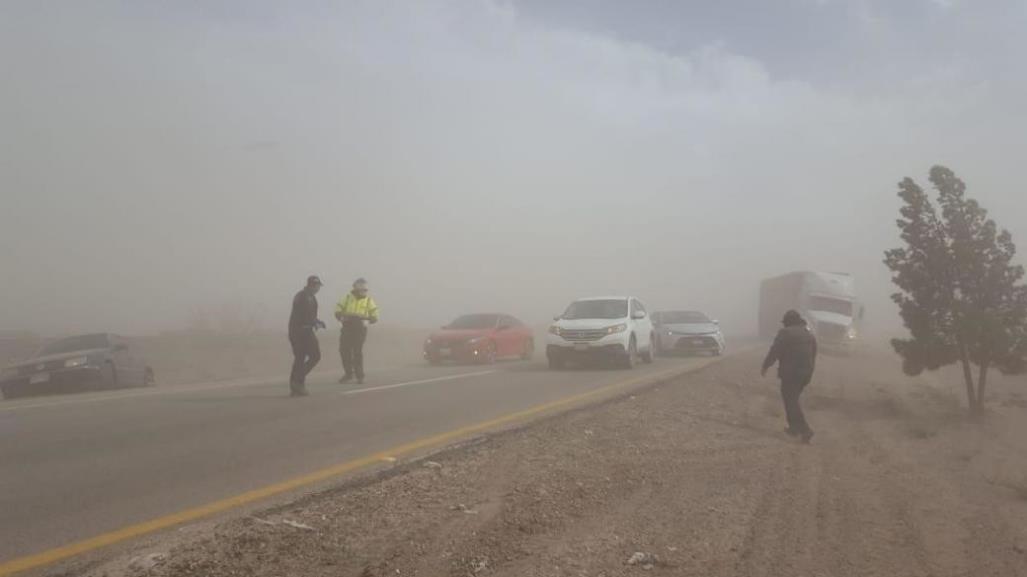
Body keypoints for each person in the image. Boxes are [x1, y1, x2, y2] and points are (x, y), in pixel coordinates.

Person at [761, 309, 817, 443]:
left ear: (788, 322)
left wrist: (765, 366)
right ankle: (794, 428)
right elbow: (813, 355)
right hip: (805, 374)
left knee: (791, 401)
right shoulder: (808, 334)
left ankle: (805, 430)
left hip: (791, 374)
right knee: (792, 400)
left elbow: (775, 351)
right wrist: (809, 373)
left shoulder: (785, 333)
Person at [335, 278, 379, 384]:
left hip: (360, 329)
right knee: (344, 350)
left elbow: (375, 316)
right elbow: (337, 310)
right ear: (355, 288)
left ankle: (360, 376)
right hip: (347, 327)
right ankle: (349, 373)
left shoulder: (369, 300)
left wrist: (368, 319)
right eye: (361, 289)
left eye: (364, 289)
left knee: (357, 351)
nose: (363, 292)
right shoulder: (347, 298)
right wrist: (341, 316)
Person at [288, 275, 326, 397]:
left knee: (300, 358)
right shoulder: (302, 296)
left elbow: (310, 316)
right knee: (314, 356)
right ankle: (297, 382)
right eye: (317, 286)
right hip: (300, 331)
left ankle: (297, 385)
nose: (318, 288)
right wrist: (314, 322)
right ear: (311, 285)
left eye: (318, 286)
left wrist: (317, 322)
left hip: (304, 330)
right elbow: (302, 315)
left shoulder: (311, 297)